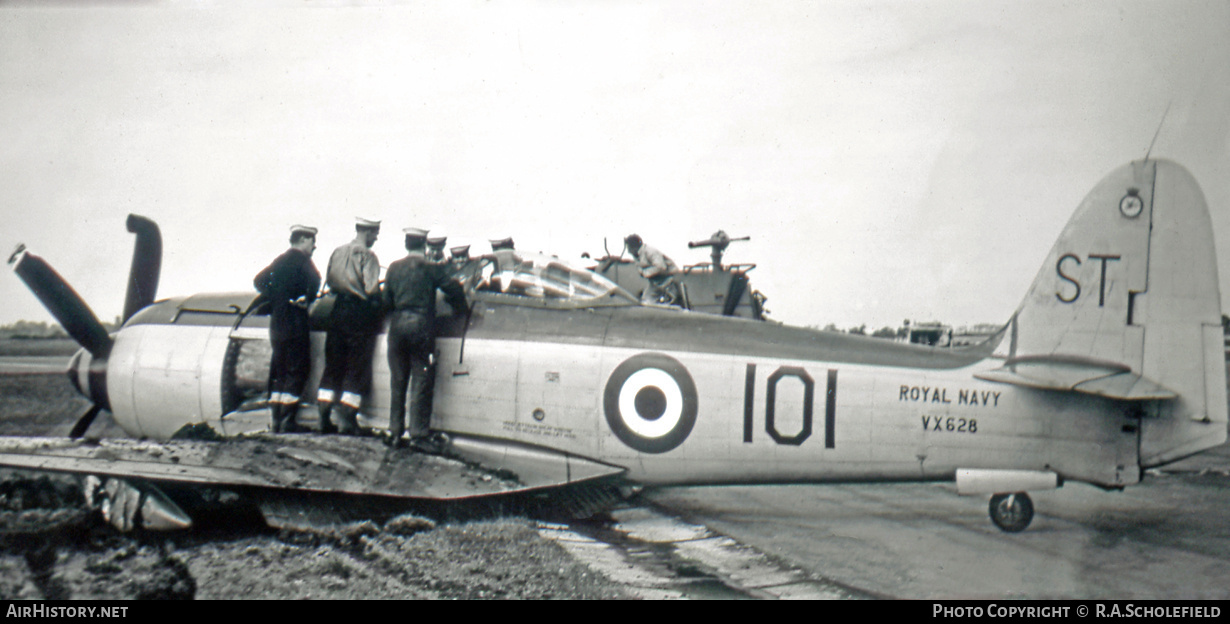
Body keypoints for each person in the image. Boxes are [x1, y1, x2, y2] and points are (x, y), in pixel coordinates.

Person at [382, 227, 468, 450]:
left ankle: (394, 432)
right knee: (421, 380)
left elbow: (386, 302)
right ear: (425, 246)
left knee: (398, 380)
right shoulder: (431, 268)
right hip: (421, 328)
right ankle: (418, 435)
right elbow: (454, 288)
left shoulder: (393, 267)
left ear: (406, 244)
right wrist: (461, 309)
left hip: (397, 328)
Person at [317, 217, 382, 435]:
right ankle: (348, 420)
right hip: (358, 313)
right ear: (369, 232)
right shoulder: (369, 256)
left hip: (336, 311)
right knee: (356, 366)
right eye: (376, 233)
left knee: (332, 365)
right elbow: (372, 289)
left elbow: (330, 282)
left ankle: (324, 416)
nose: (376, 237)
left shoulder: (337, 252)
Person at [253, 225, 321, 433]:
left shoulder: (280, 260)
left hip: (277, 322)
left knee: (280, 369)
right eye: (312, 241)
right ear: (302, 240)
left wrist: (277, 296)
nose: (314, 246)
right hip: (295, 321)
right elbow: (316, 281)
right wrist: (306, 298)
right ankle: (288, 421)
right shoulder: (303, 261)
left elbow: (259, 281)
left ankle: (276, 420)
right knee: (298, 368)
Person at [624, 234, 682, 305]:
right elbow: (640, 269)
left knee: (671, 303)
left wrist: (645, 273)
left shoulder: (650, 251)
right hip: (654, 283)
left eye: (629, 248)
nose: (628, 251)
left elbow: (661, 267)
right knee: (646, 302)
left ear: (634, 247)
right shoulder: (637, 256)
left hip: (668, 280)